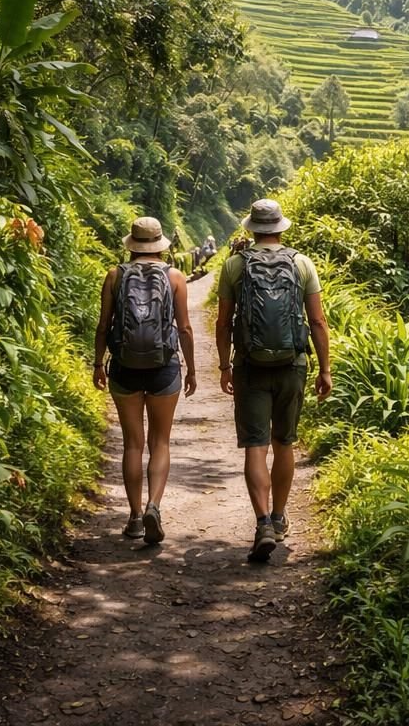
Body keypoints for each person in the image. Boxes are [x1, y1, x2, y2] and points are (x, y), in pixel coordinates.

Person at [216, 198, 332, 562]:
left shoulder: (235, 265)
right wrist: (325, 369)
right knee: (284, 442)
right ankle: (280, 518)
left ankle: (263, 522)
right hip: (292, 365)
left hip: (250, 365)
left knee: (256, 445)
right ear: (281, 228)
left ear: (251, 228)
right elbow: (317, 322)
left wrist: (224, 365)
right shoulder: (302, 263)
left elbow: (223, 322)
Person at [93, 216, 197, 544]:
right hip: (163, 367)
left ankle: (135, 517)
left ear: (132, 244)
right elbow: (184, 328)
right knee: (160, 442)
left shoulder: (114, 276)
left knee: (133, 444)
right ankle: (155, 505)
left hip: (124, 368)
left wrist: (98, 363)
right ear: (161, 244)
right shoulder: (176, 276)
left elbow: (103, 325)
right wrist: (192, 369)